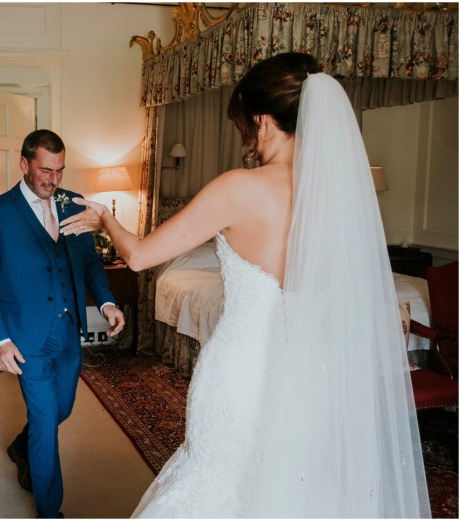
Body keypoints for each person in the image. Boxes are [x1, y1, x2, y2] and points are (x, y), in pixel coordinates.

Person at [60, 53, 430, 517]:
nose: (246, 139)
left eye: (245, 125)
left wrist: (106, 217)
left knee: (221, 479)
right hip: (315, 374)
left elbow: (137, 257)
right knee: (302, 487)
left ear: (261, 119)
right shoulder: (341, 198)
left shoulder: (238, 188)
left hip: (241, 372)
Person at [0, 129, 126, 519]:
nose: (53, 180)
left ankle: (21, 445)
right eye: (45, 170)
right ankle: (49, 511)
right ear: (24, 164)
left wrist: (106, 302)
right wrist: (0, 339)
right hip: (25, 337)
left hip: (68, 331)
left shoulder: (74, 205)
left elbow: (90, 262)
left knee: (63, 409)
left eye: (59, 170)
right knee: (45, 424)